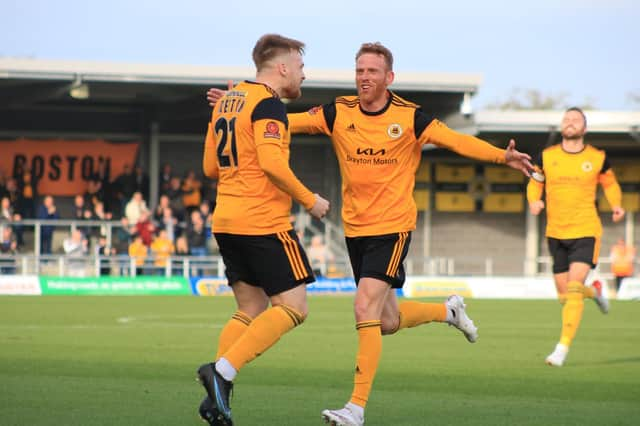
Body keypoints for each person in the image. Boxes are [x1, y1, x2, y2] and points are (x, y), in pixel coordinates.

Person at [208, 41, 533, 426]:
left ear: (388, 77)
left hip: (392, 228)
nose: (364, 77)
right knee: (386, 321)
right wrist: (241, 104)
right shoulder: (337, 112)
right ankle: (449, 311)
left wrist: (502, 156)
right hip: (356, 229)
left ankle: (355, 409)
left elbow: (457, 141)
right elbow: (282, 122)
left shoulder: (411, 118)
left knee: (364, 307)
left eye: (372, 71)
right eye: (360, 70)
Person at [195, 34, 330, 426]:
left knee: (250, 308)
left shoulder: (227, 103)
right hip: (262, 222)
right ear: (283, 67)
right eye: (301, 68)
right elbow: (272, 164)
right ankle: (221, 374)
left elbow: (209, 170)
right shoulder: (268, 103)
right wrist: (310, 200)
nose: (304, 75)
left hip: (227, 219)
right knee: (293, 307)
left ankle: (218, 400)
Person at [527, 107, 625, 367]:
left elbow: (611, 184)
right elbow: (536, 182)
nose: (570, 123)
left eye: (576, 120)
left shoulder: (597, 158)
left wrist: (616, 204)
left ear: (584, 128)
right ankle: (594, 292)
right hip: (555, 232)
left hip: (586, 230)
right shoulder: (547, 157)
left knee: (572, 289)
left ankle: (561, 348)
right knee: (564, 296)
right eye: (566, 119)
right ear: (562, 126)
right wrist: (534, 200)